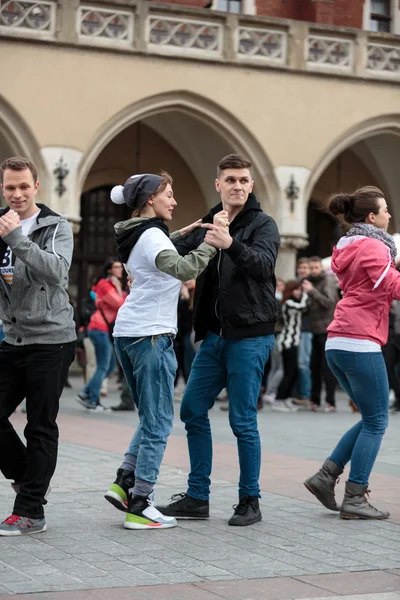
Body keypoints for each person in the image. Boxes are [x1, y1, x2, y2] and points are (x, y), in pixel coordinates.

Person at [157, 154, 280, 526]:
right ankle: (198, 496)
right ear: (219, 184)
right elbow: (171, 253)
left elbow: (263, 266)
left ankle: (249, 500)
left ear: (251, 185)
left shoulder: (263, 224)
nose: (237, 186)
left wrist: (230, 244)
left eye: (243, 180)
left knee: (242, 420)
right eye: (230, 180)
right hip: (212, 337)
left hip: (250, 336)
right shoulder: (208, 223)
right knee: (192, 409)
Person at [104, 172, 220, 530]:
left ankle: (125, 481)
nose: (173, 201)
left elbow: (161, 249)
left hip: (129, 333)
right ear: (150, 199)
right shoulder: (152, 235)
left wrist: (185, 234)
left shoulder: (138, 232)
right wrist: (211, 242)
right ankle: (141, 503)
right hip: (151, 336)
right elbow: (184, 268)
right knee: (158, 424)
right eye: (168, 195)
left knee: (148, 417)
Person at [304, 185, 400, 520]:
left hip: (340, 340)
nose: (390, 214)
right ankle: (356, 497)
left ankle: (325, 477)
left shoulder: (353, 244)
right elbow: (392, 286)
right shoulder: (374, 246)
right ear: (372, 216)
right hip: (359, 340)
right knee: (377, 422)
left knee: (371, 418)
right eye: (386, 209)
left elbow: (375, 278)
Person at [0, 156, 76, 536]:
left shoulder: (56, 227)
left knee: (40, 426)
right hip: (12, 338)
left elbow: (58, 271)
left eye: (23, 186)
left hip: (51, 340)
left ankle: (30, 510)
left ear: (36, 187)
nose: (17, 194)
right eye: (10, 187)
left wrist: (17, 238)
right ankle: (27, 476)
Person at [76, 258, 126, 411]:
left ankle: (86, 393)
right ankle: (91, 400)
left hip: (104, 329)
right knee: (103, 366)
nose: (120, 270)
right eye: (116, 267)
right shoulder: (105, 284)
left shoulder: (115, 285)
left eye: (120, 267)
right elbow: (120, 303)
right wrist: (124, 293)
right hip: (98, 328)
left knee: (110, 367)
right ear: (109, 269)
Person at [302, 256, 338, 412]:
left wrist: (312, 292)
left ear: (321, 268)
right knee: (314, 367)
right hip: (313, 329)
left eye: (316, 267)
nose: (313, 271)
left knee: (327, 368)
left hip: (327, 329)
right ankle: (314, 400)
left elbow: (330, 303)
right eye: (311, 268)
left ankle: (331, 402)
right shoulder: (307, 282)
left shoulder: (327, 281)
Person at [272, 280, 308, 412]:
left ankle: (286, 398)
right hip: (287, 342)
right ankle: (278, 399)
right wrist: (306, 293)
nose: (299, 292)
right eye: (296, 289)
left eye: (300, 290)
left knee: (294, 372)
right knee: (288, 372)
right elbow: (303, 306)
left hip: (294, 341)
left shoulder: (291, 302)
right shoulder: (288, 303)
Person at [296, 258, 312, 404]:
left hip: (307, 328)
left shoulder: (311, 286)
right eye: (300, 267)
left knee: (303, 362)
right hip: (293, 330)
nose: (302, 270)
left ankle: (305, 394)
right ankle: (299, 394)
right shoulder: (294, 284)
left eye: (305, 268)